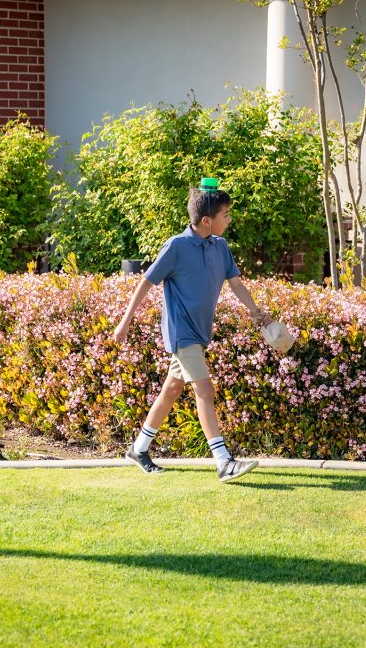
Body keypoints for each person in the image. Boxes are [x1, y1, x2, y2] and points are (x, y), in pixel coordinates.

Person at [112, 178, 273, 483]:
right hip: (181, 332)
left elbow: (236, 284)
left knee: (172, 390)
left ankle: (138, 448)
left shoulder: (220, 247)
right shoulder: (177, 246)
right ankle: (224, 461)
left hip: (200, 332)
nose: (229, 220)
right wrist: (125, 321)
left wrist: (256, 312)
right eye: (226, 215)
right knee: (205, 391)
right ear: (206, 221)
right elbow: (146, 282)